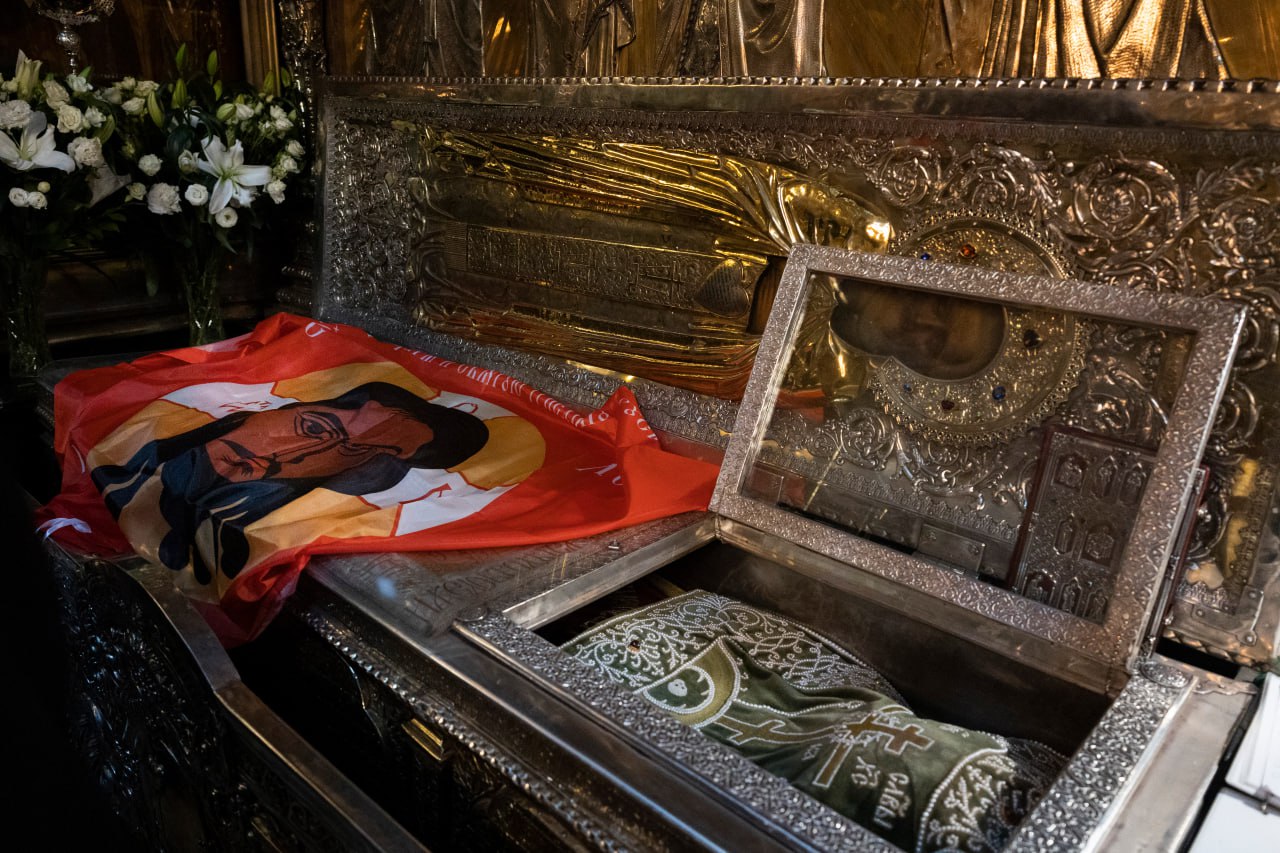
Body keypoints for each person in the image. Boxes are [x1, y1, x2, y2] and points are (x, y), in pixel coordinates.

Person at [91, 381, 489, 584]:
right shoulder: (138, 460)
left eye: (351, 455)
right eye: (313, 428)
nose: (285, 459)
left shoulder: (244, 516)